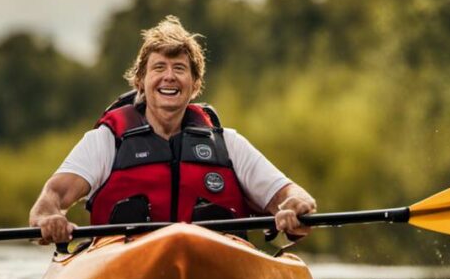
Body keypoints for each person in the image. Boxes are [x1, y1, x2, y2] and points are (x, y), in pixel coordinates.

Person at [29, 15, 316, 245]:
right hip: (122, 263)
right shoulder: (106, 142)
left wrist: (295, 208)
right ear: (140, 82)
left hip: (214, 264)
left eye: (179, 68)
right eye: (159, 68)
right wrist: (50, 219)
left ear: (195, 84)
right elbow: (51, 198)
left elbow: (294, 196)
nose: (169, 76)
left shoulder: (228, 145)